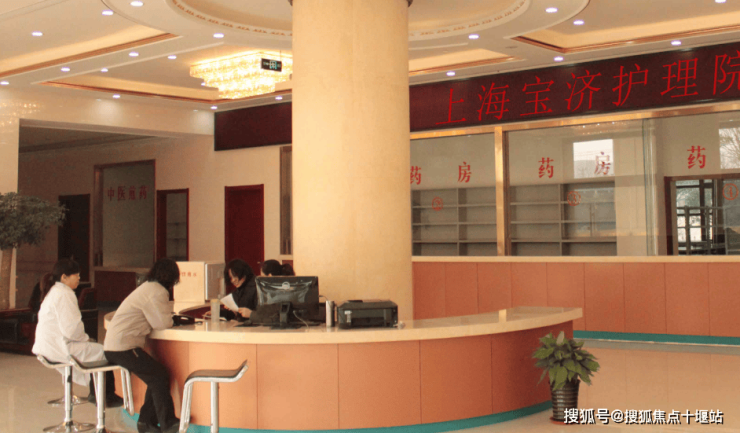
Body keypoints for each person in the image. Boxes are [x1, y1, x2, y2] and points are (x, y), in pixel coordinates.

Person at [104, 258, 180, 433]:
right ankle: (166, 424)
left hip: (116, 345)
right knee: (158, 375)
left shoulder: (147, 287)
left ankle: (147, 422)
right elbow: (162, 323)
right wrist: (172, 318)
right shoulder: (157, 291)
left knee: (157, 374)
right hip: (123, 347)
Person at [32, 259, 122, 407]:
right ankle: (103, 396)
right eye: (76, 275)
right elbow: (72, 330)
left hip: (48, 347)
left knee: (95, 350)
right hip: (60, 347)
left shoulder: (55, 291)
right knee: (104, 352)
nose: (79, 278)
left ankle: (97, 393)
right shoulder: (65, 294)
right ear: (64, 277)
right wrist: (86, 339)